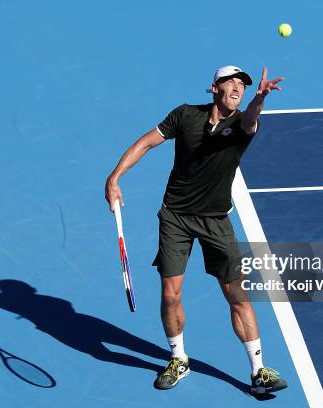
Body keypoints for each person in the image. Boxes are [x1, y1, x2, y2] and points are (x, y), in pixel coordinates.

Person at [105, 65, 287, 395]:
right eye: (231, 83)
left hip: (216, 220)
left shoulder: (242, 125)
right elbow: (147, 143)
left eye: (243, 86)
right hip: (175, 217)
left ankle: (258, 371)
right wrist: (115, 177)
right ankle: (178, 359)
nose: (238, 89)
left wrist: (260, 98)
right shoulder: (185, 115)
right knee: (170, 292)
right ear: (214, 88)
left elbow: (251, 117)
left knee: (236, 294)